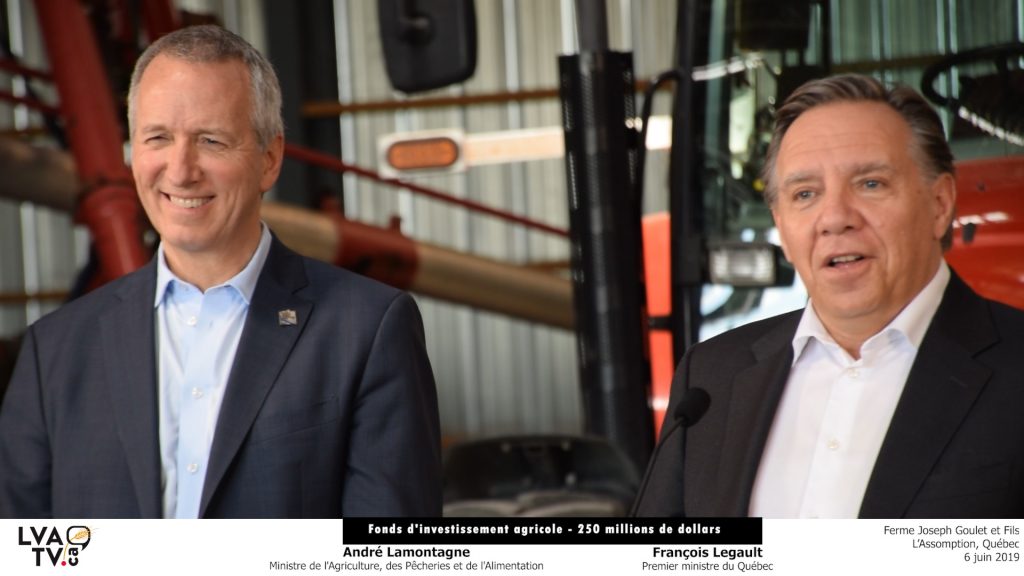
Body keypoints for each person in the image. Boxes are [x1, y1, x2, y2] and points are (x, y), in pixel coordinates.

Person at [0, 25, 442, 518]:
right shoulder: (54, 352)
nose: (181, 169)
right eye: (158, 138)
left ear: (270, 159)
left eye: (211, 141)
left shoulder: (367, 330)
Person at [633, 74, 1024, 518]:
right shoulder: (709, 380)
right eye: (805, 194)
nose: (834, 218)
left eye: (870, 184)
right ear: (781, 224)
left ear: (939, 204)